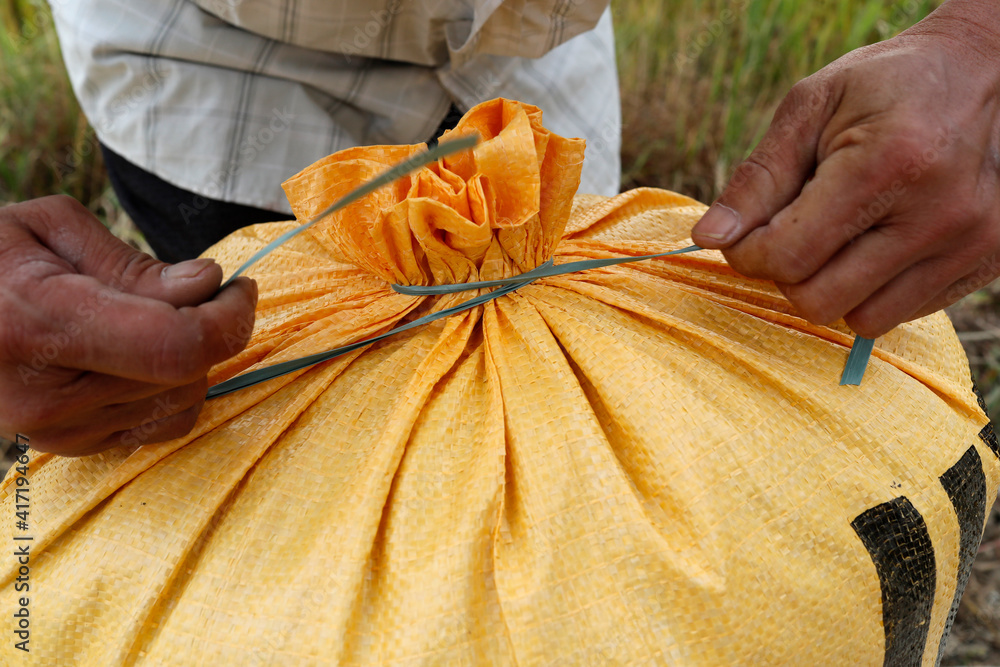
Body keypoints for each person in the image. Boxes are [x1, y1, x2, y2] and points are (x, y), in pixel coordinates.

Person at [1, 0, 997, 456]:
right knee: (296, 456)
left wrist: (978, 39)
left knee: (570, 427)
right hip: (218, 64)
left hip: (535, 49)